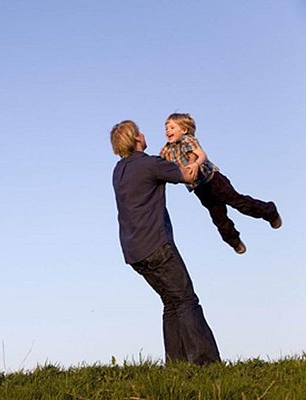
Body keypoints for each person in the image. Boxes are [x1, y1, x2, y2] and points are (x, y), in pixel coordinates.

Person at [111, 120, 220, 365]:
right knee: (186, 299)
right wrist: (198, 157)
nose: (144, 133)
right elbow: (189, 174)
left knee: (171, 302)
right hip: (157, 246)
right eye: (139, 131)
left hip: (134, 252)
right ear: (136, 139)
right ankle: (206, 363)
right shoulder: (150, 164)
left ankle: (177, 363)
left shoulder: (118, 171)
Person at [159, 113, 282, 254]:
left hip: (214, 180)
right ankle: (234, 241)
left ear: (184, 130)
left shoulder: (188, 140)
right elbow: (160, 165)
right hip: (200, 188)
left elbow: (201, 154)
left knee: (239, 203)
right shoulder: (166, 150)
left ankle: (270, 212)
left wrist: (196, 164)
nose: (168, 130)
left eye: (172, 127)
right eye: (166, 128)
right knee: (218, 216)